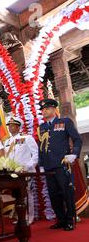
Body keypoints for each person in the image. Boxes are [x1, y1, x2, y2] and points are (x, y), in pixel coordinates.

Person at [38, 99, 82, 231]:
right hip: (48, 166)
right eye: (42, 109)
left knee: (66, 193)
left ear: (53, 109)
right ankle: (61, 220)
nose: (43, 111)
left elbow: (77, 139)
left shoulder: (64, 122)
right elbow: (42, 147)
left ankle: (70, 220)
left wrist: (74, 154)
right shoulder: (42, 127)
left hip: (62, 164)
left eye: (46, 108)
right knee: (54, 195)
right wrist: (41, 164)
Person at [5, 116, 39, 224]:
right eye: (9, 126)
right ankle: (21, 217)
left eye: (12, 125)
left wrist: (28, 166)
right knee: (18, 196)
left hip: (25, 171)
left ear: (18, 127)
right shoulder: (7, 141)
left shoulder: (27, 138)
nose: (10, 128)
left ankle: (30, 217)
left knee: (27, 194)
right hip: (13, 173)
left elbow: (35, 154)